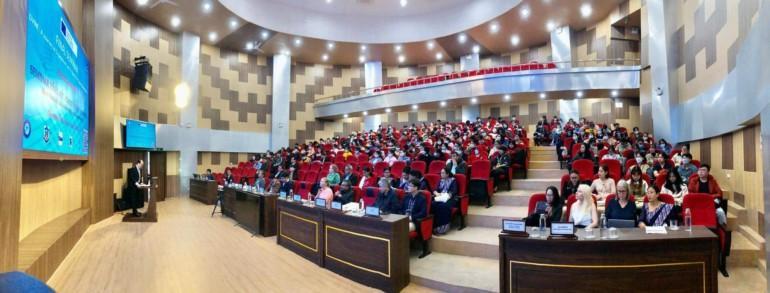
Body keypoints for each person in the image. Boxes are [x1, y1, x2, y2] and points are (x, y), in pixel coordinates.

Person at [431, 168, 459, 235]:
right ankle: (434, 226)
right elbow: (435, 190)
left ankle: (443, 228)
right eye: (441, 173)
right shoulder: (440, 180)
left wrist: (445, 197)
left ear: (447, 174)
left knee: (443, 206)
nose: (441, 174)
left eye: (443, 173)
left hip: (450, 198)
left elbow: (453, 192)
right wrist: (437, 194)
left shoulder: (453, 180)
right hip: (440, 197)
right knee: (433, 204)